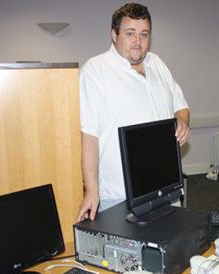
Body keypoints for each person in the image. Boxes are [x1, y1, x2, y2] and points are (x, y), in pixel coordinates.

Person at [76, 3, 191, 222]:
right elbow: (89, 136)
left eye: (143, 34)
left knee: (174, 250)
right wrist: (91, 191)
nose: (138, 41)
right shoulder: (95, 71)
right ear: (114, 34)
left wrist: (181, 121)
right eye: (130, 33)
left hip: (166, 187)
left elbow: (181, 106)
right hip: (119, 196)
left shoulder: (157, 63)